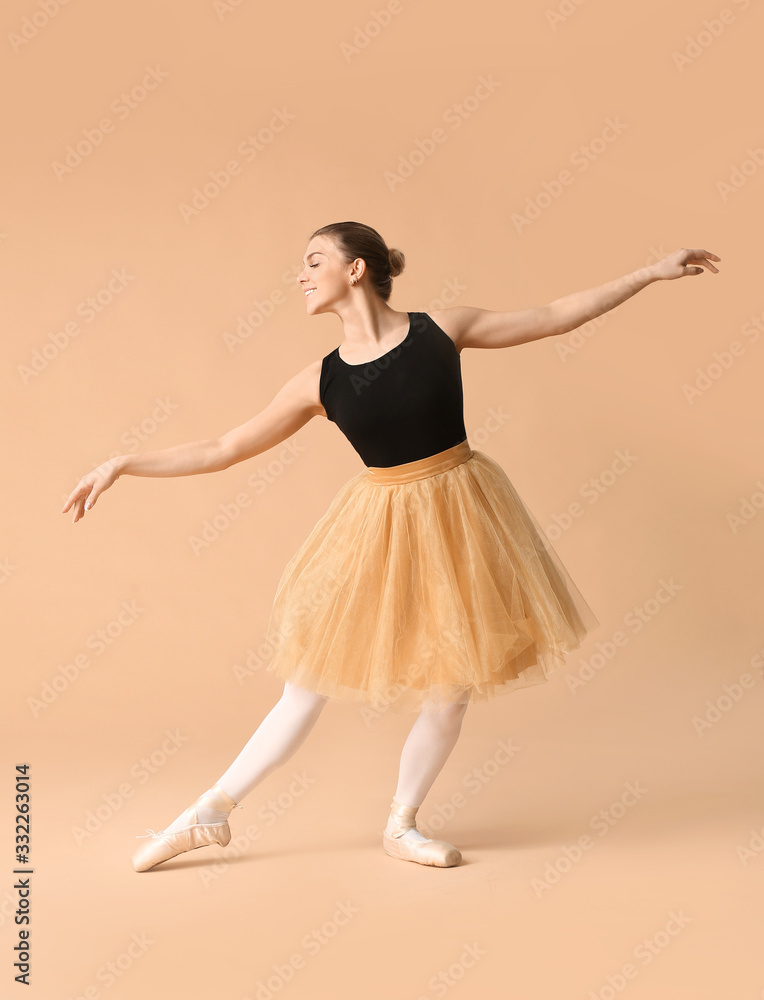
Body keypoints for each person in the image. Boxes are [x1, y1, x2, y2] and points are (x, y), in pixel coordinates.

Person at [62, 223, 720, 872]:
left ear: (355, 270)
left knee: (452, 685)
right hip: (379, 525)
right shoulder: (319, 381)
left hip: (465, 513)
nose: (300, 273)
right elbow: (224, 447)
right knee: (307, 684)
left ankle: (401, 824)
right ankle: (210, 810)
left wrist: (646, 275)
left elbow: (550, 316)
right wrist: (124, 462)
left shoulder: (442, 331)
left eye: (314, 260)